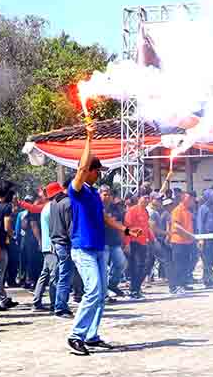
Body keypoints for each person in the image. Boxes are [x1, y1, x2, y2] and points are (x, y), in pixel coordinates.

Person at [65, 121, 136, 355]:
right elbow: (82, 168)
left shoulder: (94, 193)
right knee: (94, 290)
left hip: (98, 248)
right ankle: (76, 336)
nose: (98, 175)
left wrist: (126, 230)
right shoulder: (76, 189)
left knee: (101, 294)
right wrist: (88, 137)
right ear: (90, 171)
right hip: (83, 249)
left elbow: (105, 218)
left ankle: (92, 335)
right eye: (97, 171)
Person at [32, 182, 65, 311]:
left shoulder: (47, 207)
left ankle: (36, 301)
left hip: (47, 246)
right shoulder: (52, 207)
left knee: (44, 274)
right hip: (52, 246)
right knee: (54, 275)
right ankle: (53, 303)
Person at [48, 176, 75, 318]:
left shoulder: (52, 204)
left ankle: (57, 304)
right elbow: (70, 227)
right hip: (65, 244)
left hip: (56, 242)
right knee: (65, 276)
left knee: (59, 275)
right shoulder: (68, 203)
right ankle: (60, 307)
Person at [0, 183, 17, 312]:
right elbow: (7, 227)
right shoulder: (6, 207)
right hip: (0, 244)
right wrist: (12, 235)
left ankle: (2, 299)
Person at [99, 185, 128, 299]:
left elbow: (120, 224)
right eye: (104, 194)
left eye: (109, 194)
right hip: (102, 242)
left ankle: (112, 285)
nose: (107, 196)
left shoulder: (116, 208)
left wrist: (124, 241)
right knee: (103, 269)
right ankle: (104, 292)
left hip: (115, 242)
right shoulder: (96, 207)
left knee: (121, 264)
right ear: (99, 194)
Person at [124, 194, 153, 299]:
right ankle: (134, 290)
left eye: (148, 198)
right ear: (139, 198)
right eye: (144, 197)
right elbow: (126, 228)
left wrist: (151, 238)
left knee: (143, 266)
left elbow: (146, 226)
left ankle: (136, 288)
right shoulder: (132, 211)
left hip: (143, 243)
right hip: (133, 242)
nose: (147, 200)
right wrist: (127, 243)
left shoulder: (145, 212)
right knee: (135, 267)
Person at [168, 193, 197, 295]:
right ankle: (176, 286)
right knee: (178, 264)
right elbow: (176, 226)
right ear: (185, 199)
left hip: (187, 242)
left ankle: (183, 283)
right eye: (190, 199)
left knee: (185, 263)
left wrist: (191, 237)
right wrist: (189, 234)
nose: (192, 201)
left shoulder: (188, 211)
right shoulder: (177, 210)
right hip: (178, 241)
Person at [195, 189, 213, 288]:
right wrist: (201, 238)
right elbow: (200, 223)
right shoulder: (203, 208)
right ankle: (206, 279)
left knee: (211, 257)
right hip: (206, 236)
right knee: (206, 258)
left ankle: (209, 278)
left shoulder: (212, 207)